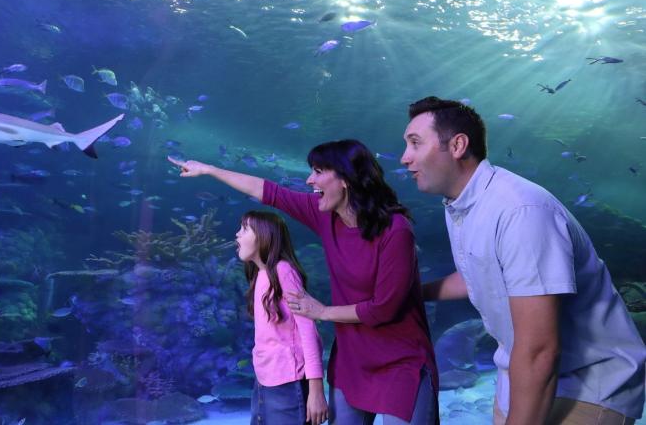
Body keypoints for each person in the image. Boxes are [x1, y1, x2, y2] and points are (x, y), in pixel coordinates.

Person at [401, 96, 646, 425]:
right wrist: (410, 292)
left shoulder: (520, 211)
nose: (405, 158)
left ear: (457, 145)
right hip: (517, 377)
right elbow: (476, 275)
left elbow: (541, 350)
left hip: (585, 386)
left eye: (415, 143)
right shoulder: (462, 205)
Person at [169, 139, 439, 425]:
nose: (310, 179)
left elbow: (384, 308)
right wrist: (209, 170)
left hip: (400, 360)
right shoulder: (325, 215)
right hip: (352, 358)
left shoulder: (395, 231)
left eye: (319, 171)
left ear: (346, 179)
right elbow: (268, 191)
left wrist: (322, 311)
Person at [235, 210, 328, 425]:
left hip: (288, 382)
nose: (237, 235)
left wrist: (316, 391)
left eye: (244, 229)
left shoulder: (283, 271)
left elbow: (308, 331)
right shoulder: (260, 275)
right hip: (264, 381)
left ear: (264, 235)